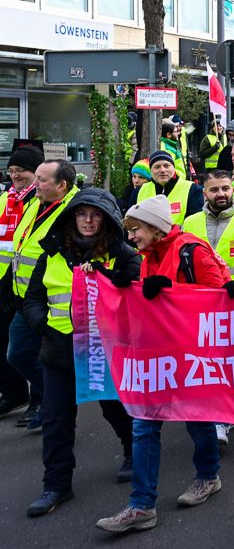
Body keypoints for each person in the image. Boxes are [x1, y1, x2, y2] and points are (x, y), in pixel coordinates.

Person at [96, 195, 231, 533]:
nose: (131, 237)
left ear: (155, 227)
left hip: (191, 353)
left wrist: (171, 289)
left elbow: (220, 300)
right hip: (157, 354)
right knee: (144, 424)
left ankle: (208, 476)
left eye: (136, 229)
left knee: (196, 419)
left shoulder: (193, 250)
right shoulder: (146, 257)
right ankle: (142, 505)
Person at [23, 188, 137, 517]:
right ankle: (56, 485)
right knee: (56, 421)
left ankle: (131, 450)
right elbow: (32, 299)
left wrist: (108, 277)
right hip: (59, 352)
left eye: (96, 214)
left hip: (105, 352)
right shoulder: (52, 254)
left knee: (115, 409)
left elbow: (137, 293)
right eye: (81, 214)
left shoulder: (122, 254)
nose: (88, 220)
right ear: (72, 217)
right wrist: (42, 324)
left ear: (107, 219)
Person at [4, 158, 79, 432]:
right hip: (25, 299)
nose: (35, 184)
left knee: (52, 363)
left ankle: (53, 406)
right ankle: (49, 399)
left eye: (42, 180)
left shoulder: (74, 210)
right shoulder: (37, 203)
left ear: (61, 185)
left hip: (56, 304)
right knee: (18, 355)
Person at [0, 146, 44, 420]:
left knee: (28, 349)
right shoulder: (6, 198)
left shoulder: (38, 201)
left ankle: (42, 399)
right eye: (12, 171)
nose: (15, 176)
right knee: (5, 345)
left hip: (26, 284)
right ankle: (15, 392)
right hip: (3, 281)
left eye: (21, 171)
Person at [129, 150, 204, 226]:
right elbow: (131, 224)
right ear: (151, 171)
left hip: (181, 237)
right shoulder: (138, 192)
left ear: (174, 168)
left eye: (166, 166)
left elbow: (195, 224)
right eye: (157, 167)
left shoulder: (192, 189)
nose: (162, 170)